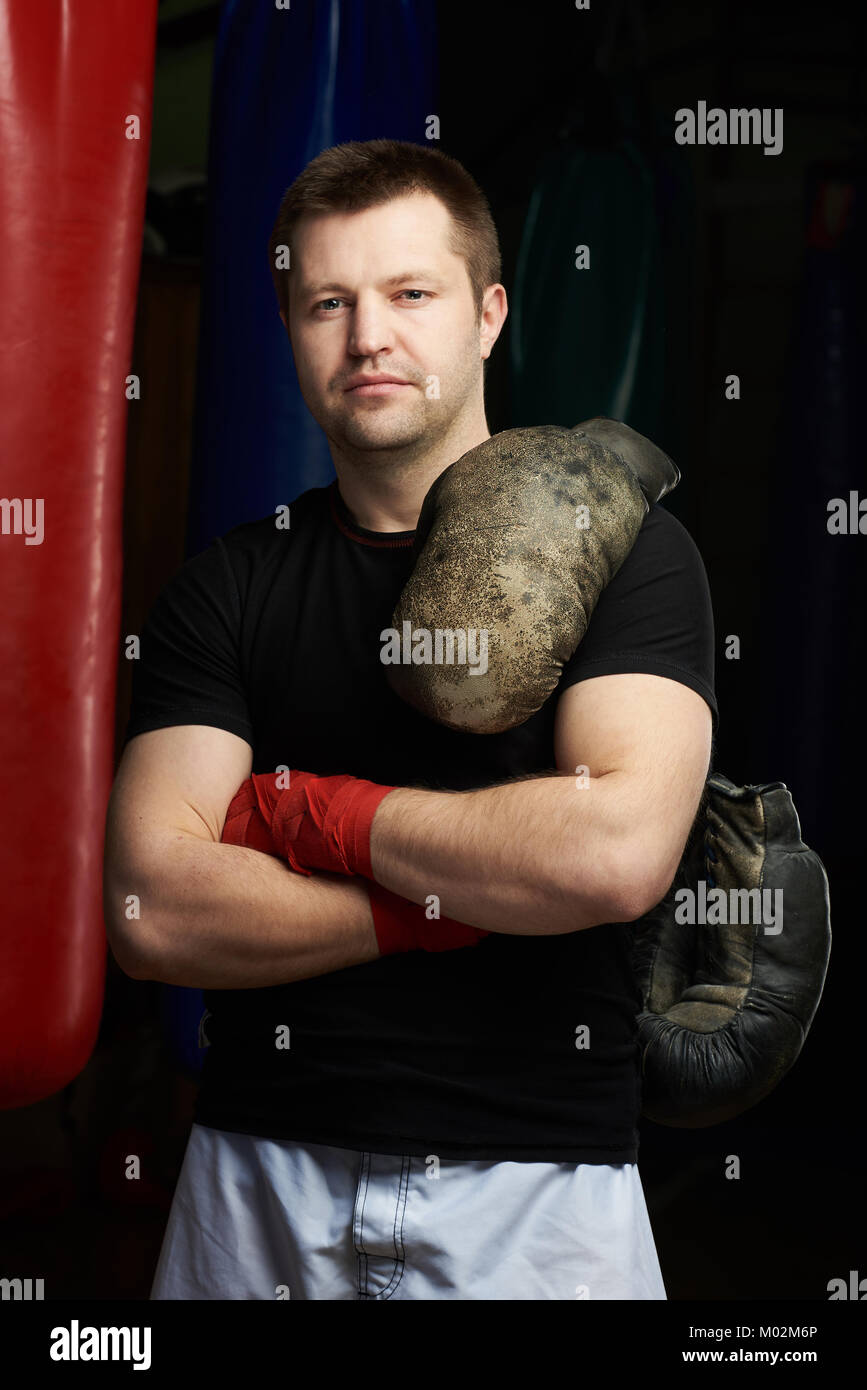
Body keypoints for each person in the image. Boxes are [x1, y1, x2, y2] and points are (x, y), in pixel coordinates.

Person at [103, 138, 717, 1301]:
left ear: (489, 316)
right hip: (258, 1178)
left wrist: (318, 817)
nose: (367, 337)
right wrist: (446, 909)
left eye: (410, 294)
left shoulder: (633, 554)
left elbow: (611, 851)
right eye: (327, 302)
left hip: (538, 1194)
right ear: (290, 328)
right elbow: (153, 906)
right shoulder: (224, 588)